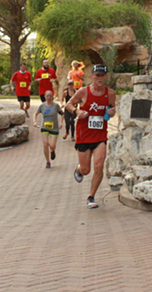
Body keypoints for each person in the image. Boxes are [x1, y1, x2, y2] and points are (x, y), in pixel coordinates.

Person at [65, 64, 116, 209]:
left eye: (102, 75)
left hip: (100, 135)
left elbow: (111, 109)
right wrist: (77, 112)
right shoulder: (83, 92)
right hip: (84, 135)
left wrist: (112, 113)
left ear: (106, 76)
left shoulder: (110, 93)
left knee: (99, 166)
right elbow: (69, 104)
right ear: (92, 76)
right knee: (87, 169)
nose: (100, 78)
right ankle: (79, 169)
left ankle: (91, 196)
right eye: (97, 75)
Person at [33, 90, 63, 168]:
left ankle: (52, 151)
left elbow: (62, 114)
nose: (49, 97)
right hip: (44, 127)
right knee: (45, 144)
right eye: (47, 96)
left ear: (52, 97)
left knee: (52, 145)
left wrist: (61, 122)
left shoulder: (56, 105)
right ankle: (48, 161)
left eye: (50, 96)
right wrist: (34, 122)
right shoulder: (42, 106)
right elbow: (35, 114)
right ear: (45, 97)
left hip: (54, 127)